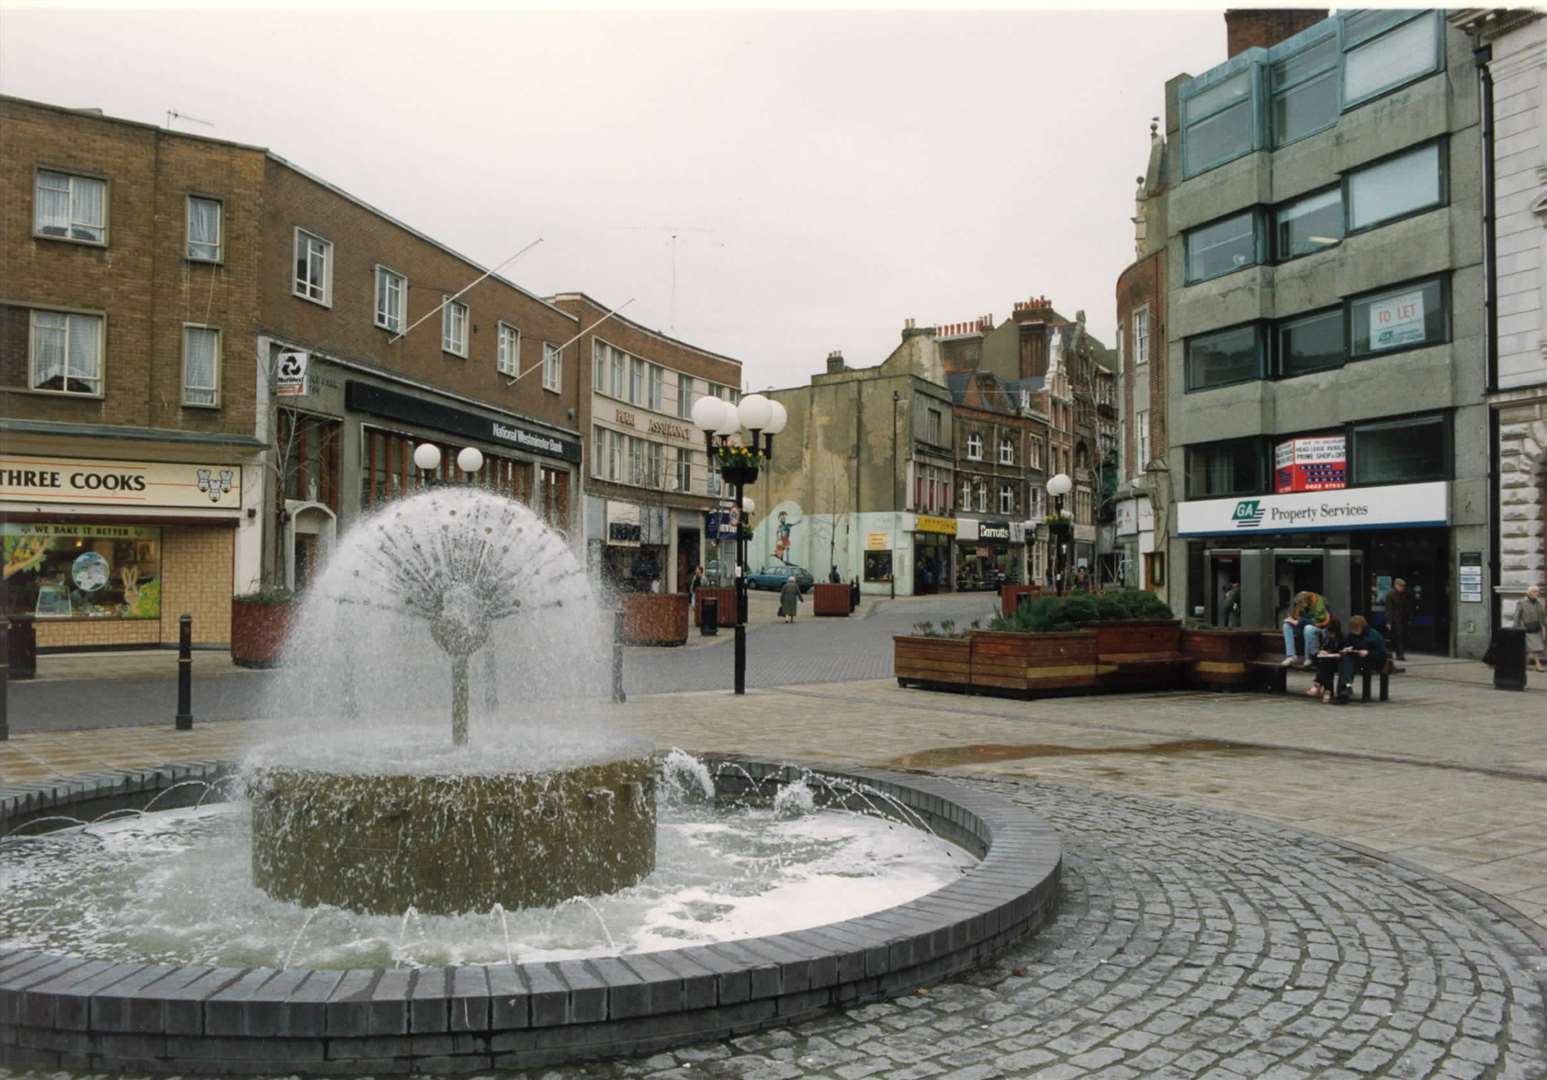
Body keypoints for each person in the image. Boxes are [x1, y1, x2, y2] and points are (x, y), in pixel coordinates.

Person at [1332, 615, 1389, 702]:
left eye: (1356, 628)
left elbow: (1382, 654)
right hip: (1357, 659)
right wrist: (1345, 650)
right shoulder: (1352, 635)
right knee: (1345, 660)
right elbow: (1346, 645)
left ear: (1362, 627)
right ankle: (1346, 688)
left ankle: (1344, 689)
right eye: (1352, 629)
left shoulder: (1374, 635)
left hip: (1372, 661)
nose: (1354, 631)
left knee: (1345, 664)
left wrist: (1368, 653)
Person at [1281, 590, 1332, 667]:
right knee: (1286, 625)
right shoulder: (1302, 605)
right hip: (1304, 626)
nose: (1302, 606)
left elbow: (1319, 622)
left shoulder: (1320, 602)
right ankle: (1291, 656)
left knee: (1308, 628)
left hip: (1320, 628)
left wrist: (1298, 622)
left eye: (1302, 603)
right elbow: (1296, 617)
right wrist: (1292, 619)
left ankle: (1309, 658)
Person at [1308, 615, 1345, 702]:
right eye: (1330, 632)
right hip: (1326, 661)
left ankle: (1317, 683)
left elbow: (1343, 651)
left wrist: (1336, 654)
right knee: (1325, 663)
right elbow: (1318, 650)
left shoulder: (1342, 638)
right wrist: (1321, 652)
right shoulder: (1325, 636)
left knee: (1326, 664)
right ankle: (1328, 691)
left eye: (1333, 633)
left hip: (1337, 662)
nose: (1331, 635)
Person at [1515, 584, 1545, 673]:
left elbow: (1542, 617)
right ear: (1529, 593)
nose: (1537, 593)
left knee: (1530, 649)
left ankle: (1523, 664)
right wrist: (1516, 628)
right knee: (1535, 648)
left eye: (1538, 592)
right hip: (1526, 628)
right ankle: (1538, 665)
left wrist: (1544, 625)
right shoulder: (1522, 602)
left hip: (1536, 628)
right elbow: (1517, 616)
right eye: (1535, 592)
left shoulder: (1538, 603)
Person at [1382, 578, 1410, 661]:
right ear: (1396, 585)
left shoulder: (1404, 594)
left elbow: (1406, 607)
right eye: (1400, 586)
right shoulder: (1390, 595)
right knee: (1396, 637)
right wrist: (1388, 622)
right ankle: (1398, 654)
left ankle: (1399, 653)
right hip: (1394, 619)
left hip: (1402, 619)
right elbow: (1388, 609)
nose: (1402, 588)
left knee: (1401, 636)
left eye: (1403, 587)